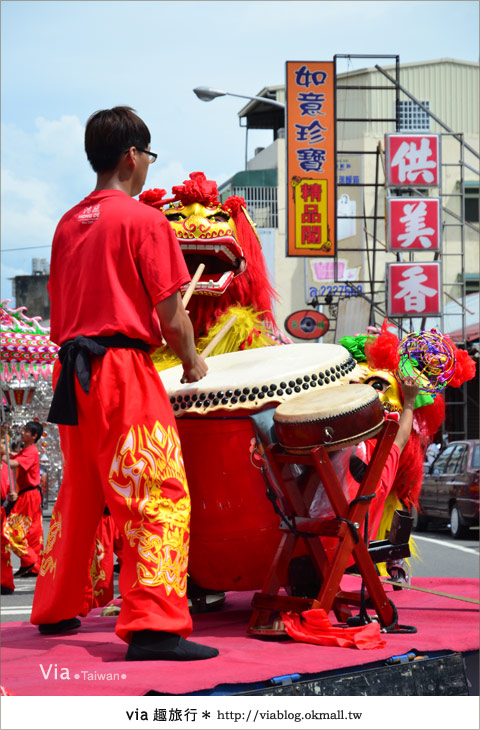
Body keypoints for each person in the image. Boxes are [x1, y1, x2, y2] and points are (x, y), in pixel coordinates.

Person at [30, 106, 218, 662]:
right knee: (156, 492)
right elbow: (170, 314)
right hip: (120, 371)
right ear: (133, 156)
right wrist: (191, 360)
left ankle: (56, 609)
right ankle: (155, 627)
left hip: (71, 374)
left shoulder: (68, 222)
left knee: (82, 491)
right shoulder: (143, 220)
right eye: (149, 156)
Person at [3, 422, 44, 578]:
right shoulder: (27, 450)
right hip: (30, 494)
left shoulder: (31, 451)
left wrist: (2, 455)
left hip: (28, 496)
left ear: (34, 436)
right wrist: (6, 451)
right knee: (33, 532)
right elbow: (14, 456)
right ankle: (34, 566)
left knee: (11, 528)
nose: (23, 432)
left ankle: (30, 559)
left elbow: (13, 463)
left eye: (27, 431)